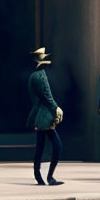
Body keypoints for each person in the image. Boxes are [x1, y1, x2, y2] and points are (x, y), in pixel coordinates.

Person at [26, 47, 64, 186]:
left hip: (39, 115)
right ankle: (49, 176)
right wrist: (56, 108)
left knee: (40, 146)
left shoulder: (33, 76)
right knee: (57, 145)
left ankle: (39, 175)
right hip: (45, 115)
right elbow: (47, 96)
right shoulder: (40, 75)